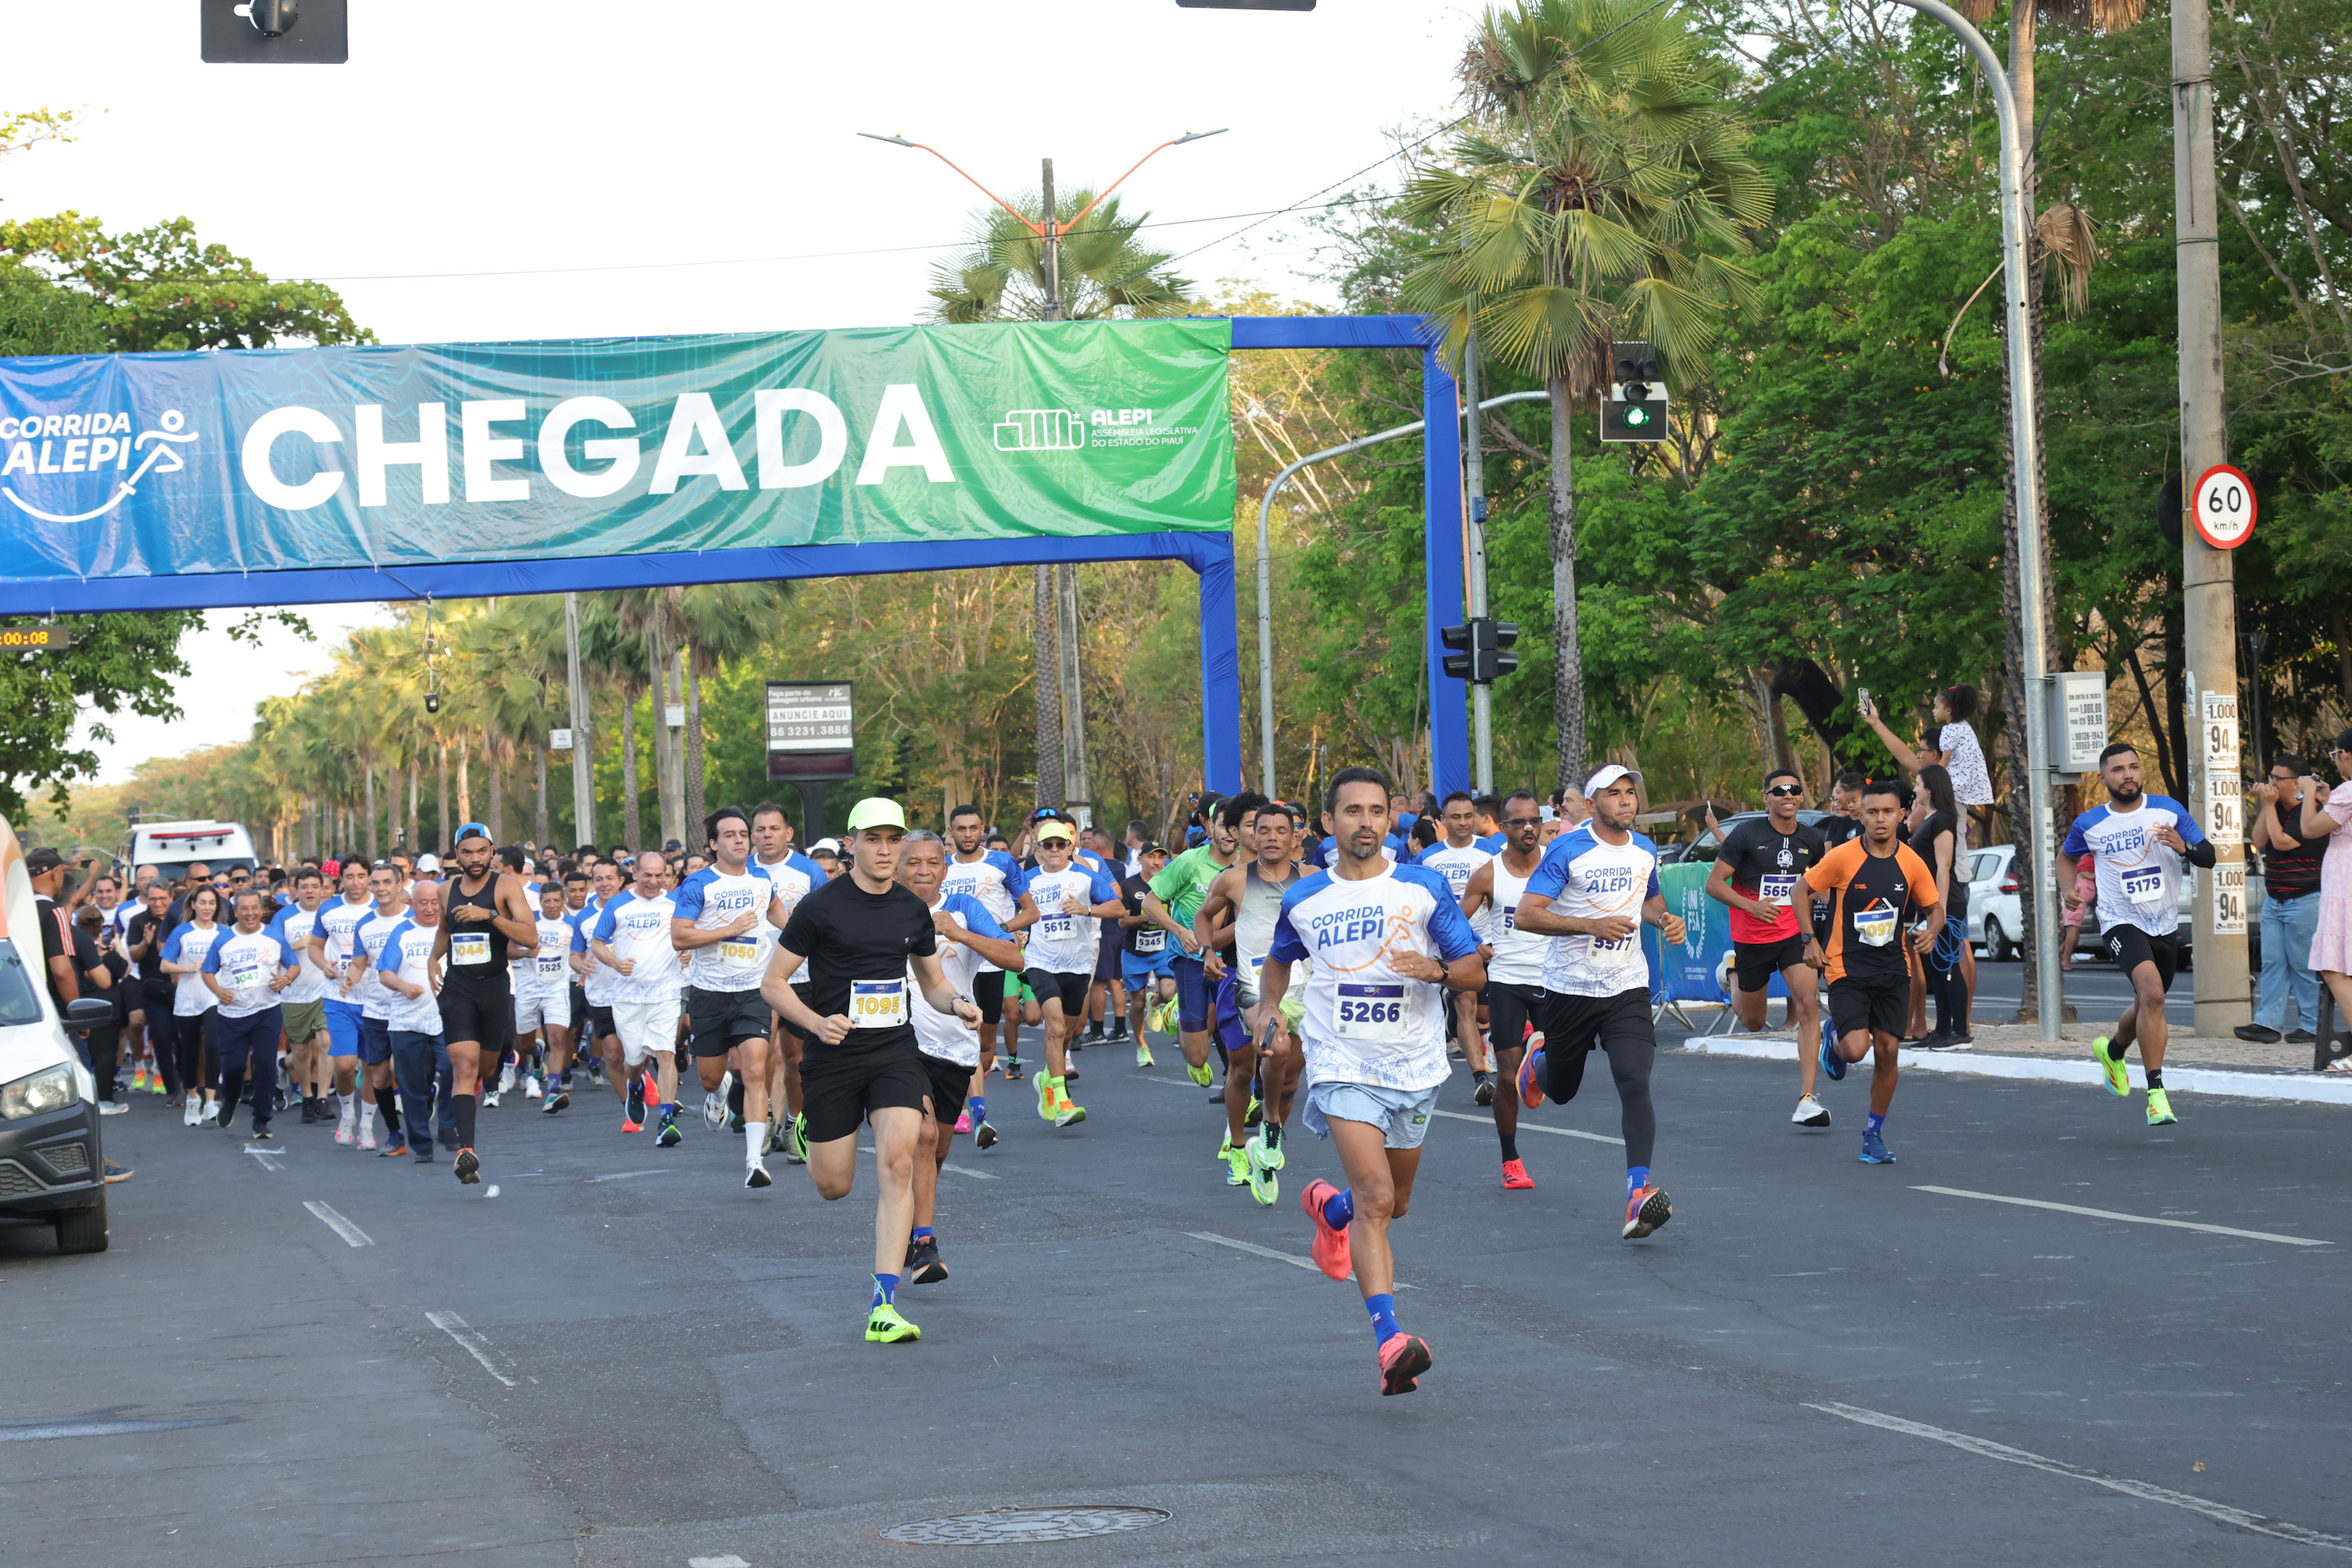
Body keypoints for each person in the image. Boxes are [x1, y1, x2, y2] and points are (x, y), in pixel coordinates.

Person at [1258, 767, 1483, 1396]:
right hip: (1340, 1063)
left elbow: (1471, 970)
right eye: (1352, 811)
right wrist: (1268, 1009)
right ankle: (1389, 1340)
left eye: (1377, 811)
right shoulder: (1304, 898)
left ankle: (1332, 1208)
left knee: (1391, 1205)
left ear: (1392, 820)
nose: (1366, 821)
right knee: (1379, 1195)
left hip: (1413, 1062)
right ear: (1327, 824)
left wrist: (1437, 971)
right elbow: (1278, 965)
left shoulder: (1423, 886)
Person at [760, 797, 982, 1345]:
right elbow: (773, 983)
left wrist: (958, 1005)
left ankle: (884, 1304)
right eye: (873, 839)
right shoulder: (820, 906)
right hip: (833, 1056)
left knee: (901, 1161)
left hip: (894, 1052)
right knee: (835, 1186)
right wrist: (816, 1023)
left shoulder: (911, 910)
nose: (885, 850)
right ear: (851, 843)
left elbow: (931, 982)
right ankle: (811, 1129)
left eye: (893, 839)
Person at [1511, 765, 1687, 1239]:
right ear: (1591, 805)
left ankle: (1639, 1190)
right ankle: (1539, 1061)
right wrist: (1590, 924)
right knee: (1562, 1089)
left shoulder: (1645, 849)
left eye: (1631, 792)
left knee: (1634, 1078)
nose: (1627, 801)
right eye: (1615, 794)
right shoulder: (1568, 850)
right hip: (1571, 986)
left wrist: (1666, 919)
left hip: (1627, 984)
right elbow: (1527, 916)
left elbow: (1647, 902)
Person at [2060, 742, 2216, 1126]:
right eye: (2118, 769)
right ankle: (2156, 1094)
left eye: (2133, 767)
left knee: (2149, 1004)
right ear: (2104, 777)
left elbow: (2208, 856)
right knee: (2152, 994)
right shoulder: (2090, 823)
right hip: (2118, 921)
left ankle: (2113, 1051)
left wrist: (2186, 846)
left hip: (2163, 922)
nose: (2127, 774)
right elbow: (2065, 856)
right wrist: (2068, 888)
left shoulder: (2168, 810)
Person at [896, 829, 1025, 1279]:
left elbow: (1014, 959)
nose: (924, 871)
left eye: (933, 863)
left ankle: (909, 1224)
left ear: (945, 869)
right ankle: (925, 1243)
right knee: (925, 1137)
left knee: (938, 1147)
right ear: (898, 866)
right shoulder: (881, 911)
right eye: (913, 862)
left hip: (954, 1045)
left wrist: (957, 933)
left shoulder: (964, 909)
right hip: (899, 1044)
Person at [1798, 779, 1941, 1163]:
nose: (1880, 820)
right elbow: (1801, 890)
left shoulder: (1911, 861)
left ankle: (1872, 1135)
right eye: (1872, 812)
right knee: (1856, 1050)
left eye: (1888, 812)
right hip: (1847, 967)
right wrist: (1809, 939)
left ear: (1900, 814)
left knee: (1890, 1051)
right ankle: (1836, 1038)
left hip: (1895, 968)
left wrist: (1932, 931)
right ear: (1859, 814)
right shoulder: (1843, 857)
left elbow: (1934, 907)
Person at [673, 807, 796, 1188]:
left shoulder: (762, 879)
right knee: (711, 1077)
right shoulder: (698, 884)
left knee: (756, 1069)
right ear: (713, 844)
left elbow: (782, 919)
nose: (740, 840)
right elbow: (680, 937)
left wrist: (815, 936)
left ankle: (753, 1162)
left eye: (743, 834)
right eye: (729, 835)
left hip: (753, 990)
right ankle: (718, 1093)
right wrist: (727, 930)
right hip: (710, 993)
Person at [1704, 769, 1830, 1126]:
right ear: (1767, 798)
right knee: (1754, 1022)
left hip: (1793, 936)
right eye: (1780, 791)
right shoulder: (1747, 834)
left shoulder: (1812, 839)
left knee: (1809, 1004)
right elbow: (1714, 885)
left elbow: (1816, 884)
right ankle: (1732, 971)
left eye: (1794, 789)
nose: (1788, 795)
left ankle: (1807, 1099)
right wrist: (1752, 906)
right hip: (1752, 938)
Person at [1195, 795, 1305, 1204]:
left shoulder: (1312, 877)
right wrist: (1207, 951)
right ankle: (1241, 1145)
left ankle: (1268, 1139)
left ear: (1296, 836)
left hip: (1304, 986)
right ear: (1252, 837)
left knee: (1290, 1079)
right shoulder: (1233, 879)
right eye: (1263, 831)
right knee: (1255, 1061)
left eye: (1281, 830)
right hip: (1252, 983)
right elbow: (1204, 916)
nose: (1272, 838)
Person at [432, 826, 539, 1185]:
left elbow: (530, 936)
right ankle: (467, 1152)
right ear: (457, 855)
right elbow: (444, 931)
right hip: (458, 987)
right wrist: (434, 959)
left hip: (494, 988)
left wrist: (489, 916)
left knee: (485, 1067)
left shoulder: (506, 887)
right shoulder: (446, 888)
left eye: (481, 852)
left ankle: (476, 1089)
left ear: (491, 851)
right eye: (467, 852)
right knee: (464, 1064)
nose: (475, 859)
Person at [1457, 790, 1551, 1188]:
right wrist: (1473, 945)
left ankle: (1538, 1067)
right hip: (1508, 979)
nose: (1528, 828)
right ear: (1504, 828)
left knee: (1563, 1067)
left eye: (1534, 821)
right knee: (1508, 1075)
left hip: (1554, 978)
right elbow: (1453, 920)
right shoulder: (1489, 873)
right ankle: (1510, 1161)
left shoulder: (1556, 862)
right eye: (1518, 822)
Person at [1011, 815, 1123, 1127]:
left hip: (1078, 962)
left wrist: (1086, 909)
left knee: (1070, 1031)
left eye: (1062, 844)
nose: (1056, 850)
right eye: (1049, 845)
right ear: (1040, 849)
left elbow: (1119, 908)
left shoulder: (1086, 876)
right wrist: (1015, 932)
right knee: (1056, 1026)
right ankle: (1062, 1101)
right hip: (1041, 961)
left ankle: (1048, 1078)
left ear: (1071, 846)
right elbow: (1013, 910)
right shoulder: (1028, 879)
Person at [751, 802, 829, 1163]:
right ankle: (764, 1113)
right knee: (760, 1054)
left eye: (773, 829)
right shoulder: (742, 871)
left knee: (797, 1057)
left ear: (788, 834)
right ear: (753, 835)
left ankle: (795, 1121)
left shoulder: (810, 871)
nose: (767, 835)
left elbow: (829, 922)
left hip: (801, 977)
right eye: (761, 830)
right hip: (753, 978)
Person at [939, 803, 1039, 1087]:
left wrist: (1002, 930)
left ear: (983, 830)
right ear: (951, 832)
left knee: (984, 1044)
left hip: (993, 961)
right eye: (961, 829)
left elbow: (1031, 912)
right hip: (951, 962)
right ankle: (959, 1108)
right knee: (952, 1031)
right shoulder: (942, 868)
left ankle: (976, 1103)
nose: (968, 834)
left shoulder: (1002, 862)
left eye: (973, 828)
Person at [591, 849, 685, 1142]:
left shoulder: (676, 902)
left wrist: (688, 952)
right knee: (634, 1061)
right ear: (634, 874)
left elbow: (690, 935)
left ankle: (666, 1120)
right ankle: (635, 1086)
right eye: (647, 875)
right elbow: (597, 944)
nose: (654, 881)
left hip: (666, 991)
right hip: (627, 996)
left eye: (660, 875)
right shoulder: (618, 905)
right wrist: (617, 964)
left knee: (665, 1054)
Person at [1415, 789, 1497, 1100]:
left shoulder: (1492, 851)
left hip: (1487, 943)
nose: (1463, 823)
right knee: (1467, 1005)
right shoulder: (1428, 857)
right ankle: (1481, 1078)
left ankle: (1478, 1037)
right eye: (1455, 817)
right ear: (1443, 820)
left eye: (1468, 816)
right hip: (1448, 946)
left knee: (1485, 1014)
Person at [201, 889, 300, 1139]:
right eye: (244, 908)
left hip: (266, 1012)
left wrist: (286, 980)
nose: (250, 913)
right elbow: (207, 971)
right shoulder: (223, 940)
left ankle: (262, 1119)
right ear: (235, 912)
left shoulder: (274, 937)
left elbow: (294, 965)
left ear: (261, 910)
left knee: (266, 1065)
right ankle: (231, 1102)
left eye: (254, 908)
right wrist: (219, 991)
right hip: (232, 1015)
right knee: (233, 1067)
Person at [1146, 808, 1235, 1089]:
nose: (1229, 832)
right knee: (1198, 1057)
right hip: (1190, 959)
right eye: (1223, 825)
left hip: (1232, 962)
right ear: (1210, 827)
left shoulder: (1251, 864)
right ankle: (1176, 1011)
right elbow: (1149, 902)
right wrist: (1180, 930)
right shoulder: (1189, 861)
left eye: (1236, 826)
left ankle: (1248, 1099)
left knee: (1236, 1035)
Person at [2241, 755, 2325, 1044]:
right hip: (2275, 899)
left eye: (2278, 779)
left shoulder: (2312, 811)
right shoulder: (2277, 807)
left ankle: (2313, 1026)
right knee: (2273, 962)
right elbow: (2259, 839)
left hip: (2305, 899)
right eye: (2271, 776)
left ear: (2297, 783)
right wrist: (2268, 805)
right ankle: (2268, 1023)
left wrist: (2267, 805)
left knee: (2303, 966)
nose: (2271, 783)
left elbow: (2282, 842)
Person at [353, 865, 426, 1157]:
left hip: (412, 1008)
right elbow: (360, 962)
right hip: (376, 1010)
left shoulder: (415, 921)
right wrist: (349, 977)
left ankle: (423, 1112)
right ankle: (396, 1136)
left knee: (402, 1070)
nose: (381, 888)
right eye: (376, 883)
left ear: (399, 886)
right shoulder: (365, 925)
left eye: (387, 882)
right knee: (380, 1078)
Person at [376, 880, 449, 1164]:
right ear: (413, 904)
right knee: (411, 1086)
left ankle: (447, 1125)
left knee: (454, 1067)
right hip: (407, 1020)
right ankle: (421, 1144)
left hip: (446, 1018)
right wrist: (404, 987)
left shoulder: (450, 929)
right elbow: (385, 972)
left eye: (435, 902)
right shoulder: (403, 931)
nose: (430, 908)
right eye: (423, 903)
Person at [2292, 734, 2352, 1073]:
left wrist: (2309, 795)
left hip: (2344, 881)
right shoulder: (2344, 794)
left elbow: (2310, 829)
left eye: (2336, 754)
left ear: (2346, 754)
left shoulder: (2348, 789)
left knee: (2334, 966)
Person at [309, 862, 379, 1145]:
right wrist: (324, 964)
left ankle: (367, 1125)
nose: (355, 882)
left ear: (369, 878)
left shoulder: (381, 908)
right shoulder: (328, 908)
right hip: (339, 997)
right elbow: (315, 945)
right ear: (341, 880)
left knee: (373, 1066)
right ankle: (348, 1114)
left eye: (361, 876)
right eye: (349, 877)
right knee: (345, 1066)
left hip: (375, 999)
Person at [1907, 764, 1973, 1048]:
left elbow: (1944, 868)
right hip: (1929, 906)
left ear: (1931, 788)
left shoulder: (1943, 819)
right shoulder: (1929, 818)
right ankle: (1942, 1030)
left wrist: (1940, 912)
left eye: (1918, 784)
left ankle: (1960, 1032)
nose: (1915, 789)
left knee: (1948, 967)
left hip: (1945, 905)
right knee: (1936, 969)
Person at [267, 869, 336, 1124]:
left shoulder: (332, 913)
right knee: (301, 1050)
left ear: (323, 889)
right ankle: (306, 1096)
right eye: (304, 886)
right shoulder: (284, 916)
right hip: (293, 992)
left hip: (326, 990)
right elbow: (268, 950)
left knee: (326, 1041)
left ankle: (322, 1099)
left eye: (315, 886)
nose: (310, 891)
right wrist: (296, 946)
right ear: (295, 890)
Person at [158, 884, 227, 1126]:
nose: (207, 907)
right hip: (187, 998)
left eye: (211, 903)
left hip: (214, 997)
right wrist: (188, 968)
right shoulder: (182, 932)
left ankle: (210, 1101)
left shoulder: (224, 932)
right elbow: (164, 965)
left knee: (213, 1047)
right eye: (203, 902)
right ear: (193, 905)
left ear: (217, 906)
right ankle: (192, 1098)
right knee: (189, 1050)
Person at [514, 880, 579, 1113]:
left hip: (556, 990)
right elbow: (508, 949)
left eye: (556, 901)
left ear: (563, 901)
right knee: (527, 1043)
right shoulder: (528, 922)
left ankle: (552, 1091)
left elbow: (580, 953)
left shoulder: (572, 924)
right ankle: (537, 1059)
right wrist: (524, 952)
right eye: (547, 901)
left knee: (558, 1038)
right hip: (529, 989)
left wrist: (582, 973)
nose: (552, 905)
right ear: (540, 902)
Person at [1116, 844, 1176, 1063]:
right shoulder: (1130, 885)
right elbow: (1122, 922)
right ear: (1140, 860)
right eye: (1151, 857)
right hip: (1135, 952)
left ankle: (1156, 1002)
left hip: (1162, 950)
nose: (1157, 861)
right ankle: (1142, 1045)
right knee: (1138, 1002)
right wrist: (1147, 916)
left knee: (1169, 992)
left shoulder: (1170, 882)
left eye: (1161, 857)